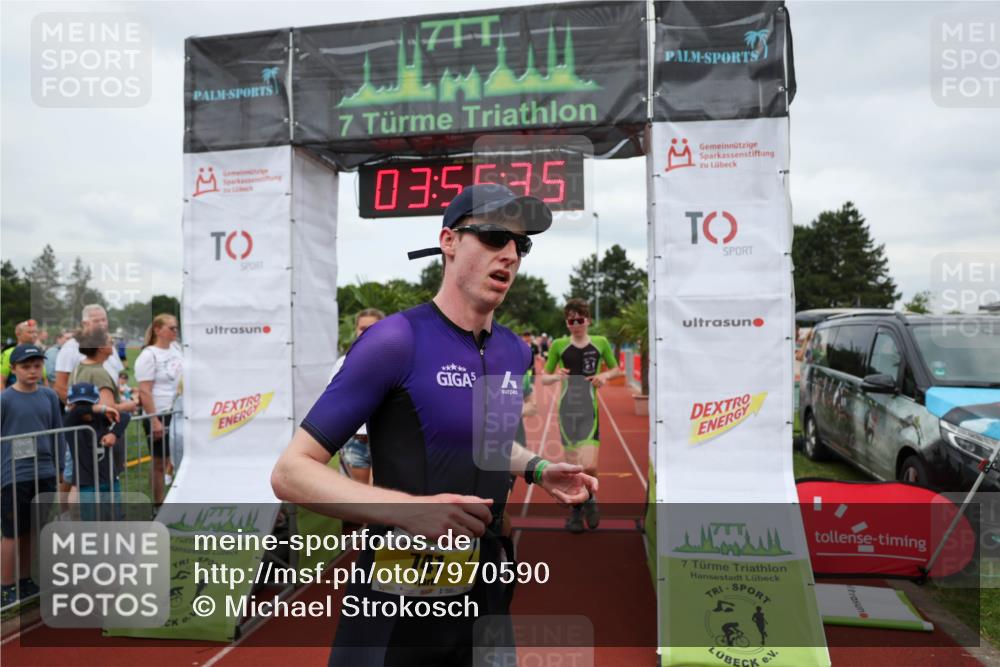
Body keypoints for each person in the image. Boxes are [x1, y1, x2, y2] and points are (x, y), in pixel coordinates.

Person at [271, 183, 597, 666]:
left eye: (520, 244)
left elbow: (490, 443)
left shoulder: (513, 350)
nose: (509, 254)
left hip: (485, 583)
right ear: (449, 241)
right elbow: (291, 471)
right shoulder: (394, 341)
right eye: (493, 236)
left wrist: (538, 469)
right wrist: (410, 511)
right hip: (398, 594)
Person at [541, 298, 622, 533]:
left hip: (589, 410)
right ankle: (577, 510)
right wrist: (557, 376)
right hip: (567, 412)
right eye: (571, 321)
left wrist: (603, 377)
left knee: (590, 465)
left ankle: (590, 499)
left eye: (580, 320)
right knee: (573, 467)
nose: (576, 324)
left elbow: (616, 369)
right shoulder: (558, 345)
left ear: (588, 320)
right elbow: (544, 378)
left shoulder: (600, 342)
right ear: (566, 323)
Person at [0, 344, 64, 605]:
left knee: (32, 530)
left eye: (37, 366)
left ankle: (25, 579)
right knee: (12, 532)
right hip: (14, 475)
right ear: (13, 369)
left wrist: (60, 468)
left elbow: (58, 431)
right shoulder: (5, 399)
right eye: (25, 367)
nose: (32, 371)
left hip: (45, 472)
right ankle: (6, 586)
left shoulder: (49, 396)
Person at [330, 308, 386, 487]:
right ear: (356, 330)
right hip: (355, 440)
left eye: (373, 327)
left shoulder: (396, 361)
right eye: (362, 328)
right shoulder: (343, 363)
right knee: (358, 496)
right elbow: (334, 403)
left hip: (386, 439)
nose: (366, 332)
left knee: (380, 494)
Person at [135, 314, 182, 505]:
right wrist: (154, 420)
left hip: (178, 412)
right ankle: (158, 505)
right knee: (159, 463)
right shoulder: (149, 355)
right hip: (159, 412)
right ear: (158, 330)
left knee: (177, 459)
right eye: (171, 328)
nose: (175, 331)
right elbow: (145, 391)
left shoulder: (177, 348)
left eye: (176, 327)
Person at [63, 382, 129, 520]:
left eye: (88, 403)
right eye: (78, 404)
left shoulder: (101, 418)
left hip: (109, 478)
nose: (83, 408)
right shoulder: (70, 421)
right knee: (91, 521)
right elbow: (78, 412)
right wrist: (101, 408)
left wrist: (113, 434)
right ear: (70, 404)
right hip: (86, 482)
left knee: (114, 517)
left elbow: (124, 416)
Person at [54, 305, 124, 404]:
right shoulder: (70, 347)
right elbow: (61, 386)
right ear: (84, 323)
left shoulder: (109, 346)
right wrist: (78, 408)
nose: (102, 324)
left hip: (112, 408)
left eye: (104, 320)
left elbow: (116, 379)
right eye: (96, 321)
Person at [1, 320, 49, 389]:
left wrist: (47, 393)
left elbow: (44, 379)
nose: (35, 335)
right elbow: (1, 380)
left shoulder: (37, 352)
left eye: (36, 332)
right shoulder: (8, 353)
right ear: (18, 334)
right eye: (30, 332)